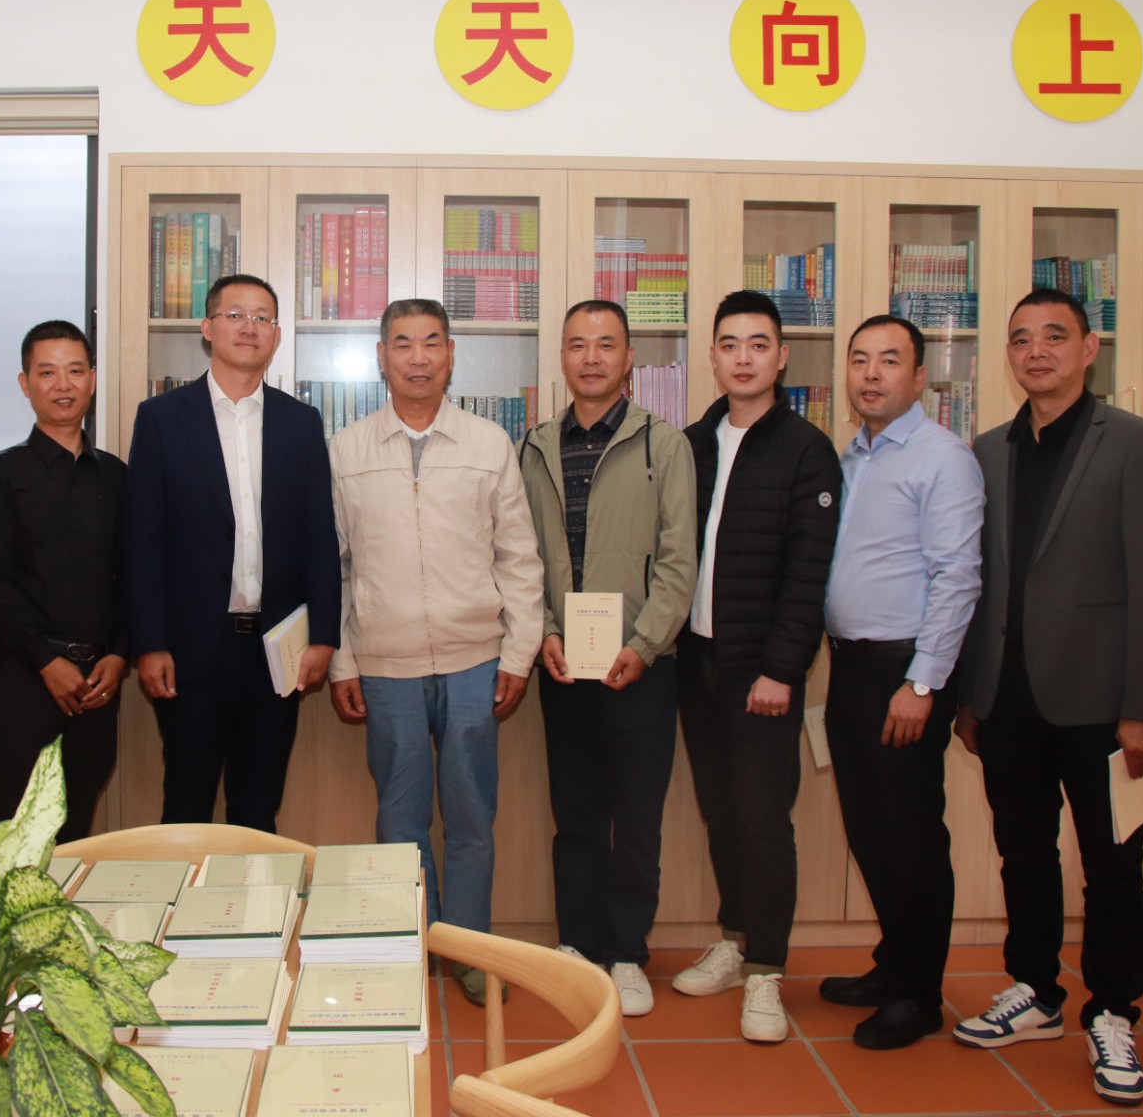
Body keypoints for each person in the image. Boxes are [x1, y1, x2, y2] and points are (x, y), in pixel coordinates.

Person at [950, 288, 1143, 1106]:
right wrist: (971, 696)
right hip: (1006, 700)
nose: (1037, 351)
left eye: (1055, 336)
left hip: (1102, 703)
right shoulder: (988, 450)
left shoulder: (1134, 442)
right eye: (1022, 340)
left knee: (1114, 866)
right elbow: (976, 580)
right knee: (1023, 851)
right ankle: (1035, 990)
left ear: (1089, 349)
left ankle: (1113, 1011)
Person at [327, 299, 544, 1007]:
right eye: (402, 343)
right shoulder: (347, 450)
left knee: (473, 815)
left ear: (451, 355)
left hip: (476, 658)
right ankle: (413, 944)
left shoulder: (489, 443)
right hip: (384, 661)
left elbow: (519, 558)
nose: (417, 357)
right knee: (400, 820)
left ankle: (470, 951)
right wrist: (342, 660)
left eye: (431, 343)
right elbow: (334, 568)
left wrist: (518, 654)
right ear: (380, 357)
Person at [671, 289, 841, 1045]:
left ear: (782, 357)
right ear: (712, 356)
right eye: (730, 345)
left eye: (759, 344)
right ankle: (736, 940)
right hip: (696, 660)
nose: (744, 358)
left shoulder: (806, 449)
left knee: (764, 819)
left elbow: (810, 574)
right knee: (720, 810)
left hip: (762, 672)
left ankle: (767, 968)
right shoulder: (691, 444)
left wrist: (782, 670)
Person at [518, 299, 697, 1018]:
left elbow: (679, 561)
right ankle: (579, 942)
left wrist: (644, 643)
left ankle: (627, 952)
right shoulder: (535, 446)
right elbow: (522, 556)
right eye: (577, 345)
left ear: (629, 360)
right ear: (562, 357)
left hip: (639, 665)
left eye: (605, 344)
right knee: (576, 812)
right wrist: (543, 632)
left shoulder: (665, 445)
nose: (591, 357)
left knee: (637, 816)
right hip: (563, 661)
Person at [124, 274, 342, 832]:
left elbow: (319, 535)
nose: (249, 327)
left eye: (262, 318)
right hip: (192, 649)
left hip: (276, 648)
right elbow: (143, 541)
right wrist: (149, 643)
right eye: (236, 315)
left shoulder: (300, 423)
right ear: (207, 328)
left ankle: (255, 895)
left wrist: (324, 635)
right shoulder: (162, 418)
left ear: (276, 336)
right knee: (187, 806)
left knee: (257, 807)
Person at [818, 315, 983, 1049]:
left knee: (910, 834)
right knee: (869, 826)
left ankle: (920, 994)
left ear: (919, 378)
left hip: (904, 672)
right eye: (860, 360)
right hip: (851, 667)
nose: (871, 374)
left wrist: (921, 684)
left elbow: (958, 577)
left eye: (889, 361)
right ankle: (894, 965)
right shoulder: (850, 458)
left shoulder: (943, 458)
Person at [0, 320, 126, 841]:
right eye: (47, 372)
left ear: (92, 379)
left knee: (75, 835)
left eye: (75, 371)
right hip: (22, 680)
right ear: (25, 383)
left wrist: (120, 655)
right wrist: (46, 661)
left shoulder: (118, 477)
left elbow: (131, 576)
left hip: (97, 684)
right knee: (9, 838)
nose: (63, 385)